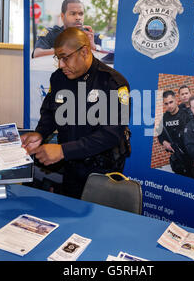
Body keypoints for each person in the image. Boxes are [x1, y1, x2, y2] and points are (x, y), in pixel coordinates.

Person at [21, 27, 130, 199]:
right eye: (58, 58)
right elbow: (50, 111)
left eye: (65, 58)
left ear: (84, 51)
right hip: (71, 166)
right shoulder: (59, 78)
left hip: (101, 173)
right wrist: (40, 132)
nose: (61, 65)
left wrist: (63, 151)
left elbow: (112, 134)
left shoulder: (113, 83)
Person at [33, 0, 102, 59]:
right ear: (62, 16)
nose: (78, 18)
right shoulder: (50, 33)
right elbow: (37, 53)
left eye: (81, 14)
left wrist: (94, 47)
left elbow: (110, 53)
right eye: (73, 14)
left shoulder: (90, 36)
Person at [156, 90, 192, 176]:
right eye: (166, 104)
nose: (169, 106)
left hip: (191, 154)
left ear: (176, 100)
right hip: (178, 158)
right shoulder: (164, 118)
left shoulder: (186, 114)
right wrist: (164, 142)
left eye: (171, 102)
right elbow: (160, 136)